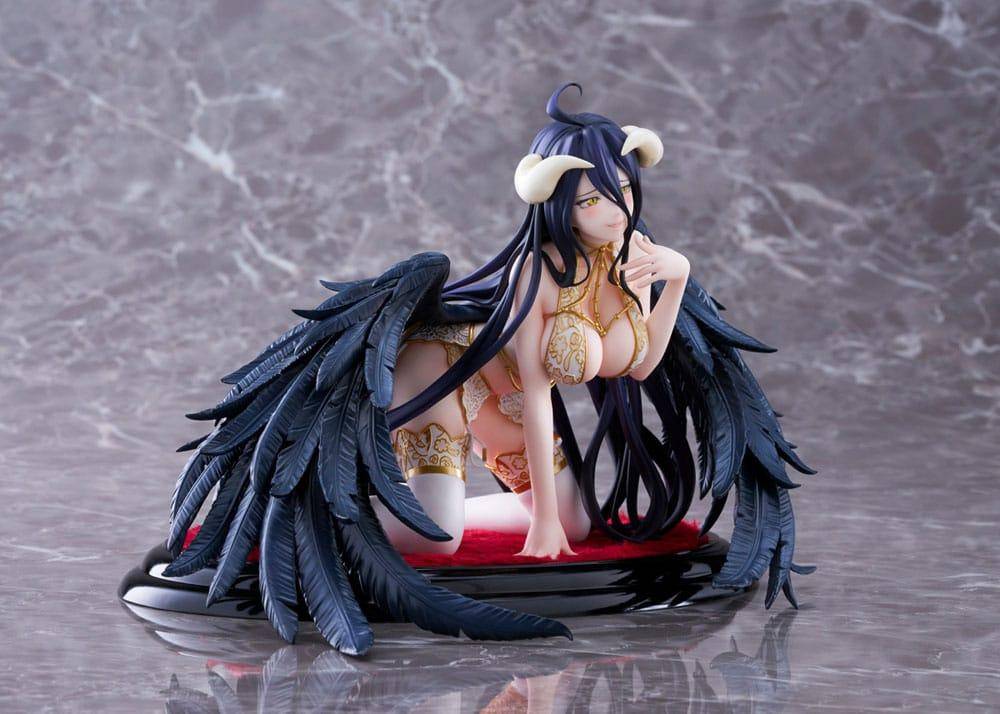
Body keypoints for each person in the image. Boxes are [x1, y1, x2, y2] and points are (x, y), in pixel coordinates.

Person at [160, 83, 816, 656]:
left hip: (499, 392)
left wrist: (676, 279)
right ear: (557, 203)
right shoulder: (538, 271)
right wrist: (540, 523)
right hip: (443, 373)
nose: (613, 210)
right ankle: (319, 515)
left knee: (576, 522)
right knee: (440, 541)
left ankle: (414, 506)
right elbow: (538, 389)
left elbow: (641, 365)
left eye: (620, 190)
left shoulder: (633, 259)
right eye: (591, 199)